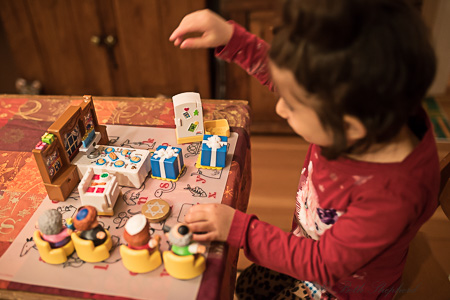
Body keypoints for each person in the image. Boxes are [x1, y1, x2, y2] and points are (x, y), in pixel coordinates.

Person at [169, 1, 439, 299]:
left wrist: (240, 229)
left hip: (340, 287)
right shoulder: (366, 110)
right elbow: (299, 81)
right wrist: (234, 39)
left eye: (293, 105)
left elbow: (322, 264)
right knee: (246, 286)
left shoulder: (392, 196)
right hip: (310, 246)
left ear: (349, 127)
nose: (280, 107)